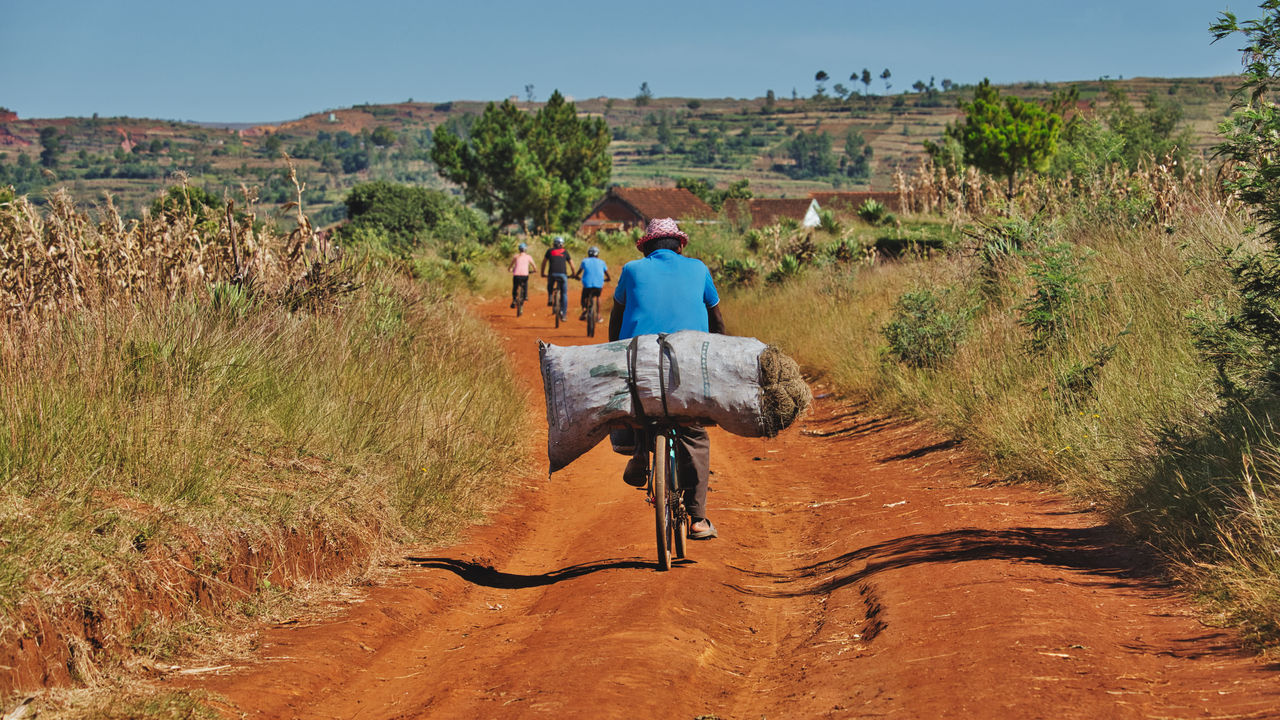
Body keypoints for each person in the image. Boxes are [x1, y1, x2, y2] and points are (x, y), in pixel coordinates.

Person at [609, 217, 726, 540]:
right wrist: (715, 353)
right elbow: (716, 318)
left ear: (646, 247)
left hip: (640, 361)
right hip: (688, 364)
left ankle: (635, 451)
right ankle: (698, 519)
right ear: (680, 245)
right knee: (695, 435)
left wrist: (615, 352)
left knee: (631, 404)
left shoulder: (632, 270)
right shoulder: (699, 268)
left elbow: (616, 317)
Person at [540, 236, 575, 319]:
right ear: (562, 244)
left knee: (550, 284)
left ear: (554, 244)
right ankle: (564, 315)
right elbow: (572, 265)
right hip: (563, 275)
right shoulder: (565, 252)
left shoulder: (549, 251)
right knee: (564, 294)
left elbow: (544, 263)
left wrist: (542, 273)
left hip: (552, 274)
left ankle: (550, 297)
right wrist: (573, 274)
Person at [573, 246, 611, 321]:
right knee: (598, 296)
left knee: (584, 296)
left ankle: (584, 310)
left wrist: (576, 276)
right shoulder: (602, 262)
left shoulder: (584, 261)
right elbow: (607, 274)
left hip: (587, 284)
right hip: (598, 284)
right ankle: (599, 315)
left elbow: (579, 272)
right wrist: (608, 279)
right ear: (597, 254)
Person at [508, 242, 537, 308]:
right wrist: (534, 270)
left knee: (515, 287)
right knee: (525, 283)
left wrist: (509, 269)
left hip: (516, 275)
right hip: (525, 275)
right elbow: (534, 266)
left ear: (519, 250)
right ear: (525, 250)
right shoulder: (528, 257)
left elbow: (510, 265)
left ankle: (514, 299)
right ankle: (525, 296)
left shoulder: (516, 256)